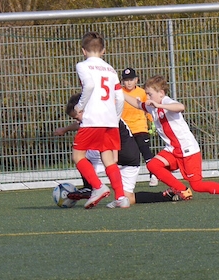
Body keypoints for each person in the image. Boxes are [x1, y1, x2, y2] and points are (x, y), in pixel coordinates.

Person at [122, 75, 219, 199]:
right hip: (173, 150)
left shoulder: (165, 101)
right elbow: (137, 104)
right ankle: (181, 189)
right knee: (153, 165)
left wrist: (160, 105)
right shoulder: (152, 106)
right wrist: (119, 91)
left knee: (197, 186)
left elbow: (180, 107)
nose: (147, 97)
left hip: (188, 150)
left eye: (149, 94)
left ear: (161, 93)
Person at [54, 93, 186, 208]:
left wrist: (114, 156)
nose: (77, 120)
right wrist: (65, 129)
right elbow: (81, 124)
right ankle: (166, 196)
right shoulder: (99, 114)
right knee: (129, 198)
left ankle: (90, 188)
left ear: (83, 109)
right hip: (132, 158)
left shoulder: (101, 120)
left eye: (76, 117)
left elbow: (112, 138)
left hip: (121, 154)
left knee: (81, 153)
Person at [72, 32, 127, 208]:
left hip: (92, 119)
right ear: (103, 50)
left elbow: (89, 85)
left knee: (78, 155)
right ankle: (121, 197)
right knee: (108, 157)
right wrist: (115, 118)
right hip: (110, 120)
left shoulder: (82, 65)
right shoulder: (110, 69)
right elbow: (120, 98)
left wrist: (79, 107)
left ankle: (98, 187)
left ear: (83, 50)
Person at [120, 67, 159, 186]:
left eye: (131, 79)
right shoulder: (119, 93)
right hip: (125, 129)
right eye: (126, 80)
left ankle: (153, 174)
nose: (129, 83)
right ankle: (126, 178)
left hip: (140, 127)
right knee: (127, 154)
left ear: (136, 80)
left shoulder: (142, 93)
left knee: (145, 150)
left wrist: (152, 122)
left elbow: (148, 108)